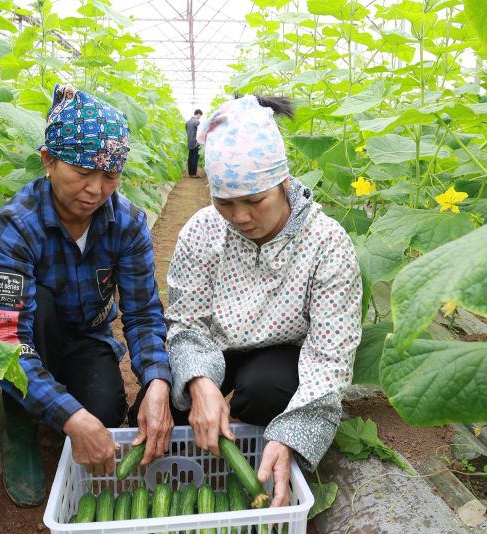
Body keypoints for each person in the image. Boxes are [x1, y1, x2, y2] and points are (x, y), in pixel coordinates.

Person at [0, 84, 173, 507]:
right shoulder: (17, 226)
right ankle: (20, 419)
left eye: (109, 175)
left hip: (88, 337)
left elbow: (141, 314)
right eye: (82, 172)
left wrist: (157, 379)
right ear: (48, 161)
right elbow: (7, 337)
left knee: (104, 414)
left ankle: (56, 402)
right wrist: (69, 416)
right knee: (40, 309)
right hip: (32, 339)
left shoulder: (127, 223)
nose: (95, 188)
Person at [166, 95, 362, 507]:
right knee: (165, 407)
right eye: (225, 202)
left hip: (279, 359)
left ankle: (262, 442)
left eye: (255, 200)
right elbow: (186, 322)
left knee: (267, 391)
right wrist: (200, 384)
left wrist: (293, 434)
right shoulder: (202, 231)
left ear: (284, 183)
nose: (239, 216)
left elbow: (330, 355)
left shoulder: (327, 243)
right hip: (212, 352)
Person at [185, 109, 203, 177]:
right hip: (195, 142)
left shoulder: (187, 122)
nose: (200, 117)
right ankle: (193, 174)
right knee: (195, 158)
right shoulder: (197, 122)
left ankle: (190, 173)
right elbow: (200, 132)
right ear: (198, 114)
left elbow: (187, 131)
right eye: (200, 116)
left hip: (190, 142)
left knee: (190, 157)